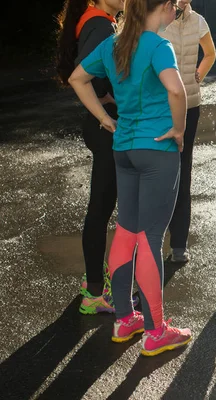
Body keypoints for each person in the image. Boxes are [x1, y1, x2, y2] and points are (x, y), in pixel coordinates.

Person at [69, 0, 192, 356]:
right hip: (156, 151)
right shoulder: (157, 45)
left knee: (126, 230)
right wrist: (180, 130)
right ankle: (156, 331)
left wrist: (106, 120)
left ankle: (125, 318)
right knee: (151, 237)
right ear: (164, 7)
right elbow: (176, 89)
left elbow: (78, 78)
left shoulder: (113, 44)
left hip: (123, 149)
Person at [56, 0, 127, 315]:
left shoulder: (98, 19)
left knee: (102, 206)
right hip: (106, 128)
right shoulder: (98, 23)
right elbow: (86, 74)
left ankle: (94, 283)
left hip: (103, 126)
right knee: (100, 208)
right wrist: (106, 108)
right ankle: (94, 291)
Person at [161, 0, 216, 263]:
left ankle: (179, 244)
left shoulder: (199, 21)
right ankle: (152, 242)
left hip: (190, 106)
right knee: (159, 171)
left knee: (183, 170)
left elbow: (211, 53)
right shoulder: (161, 17)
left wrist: (198, 75)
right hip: (161, 106)